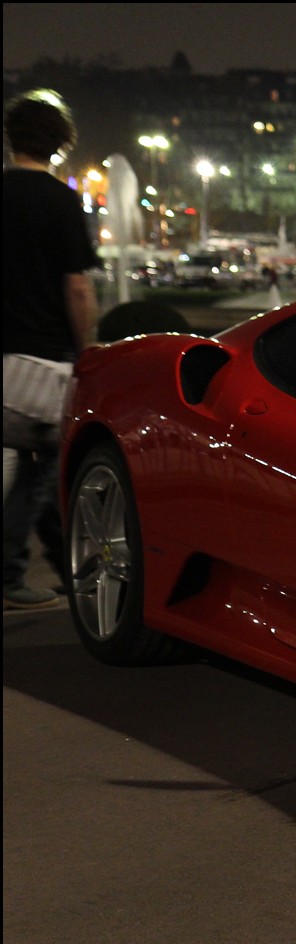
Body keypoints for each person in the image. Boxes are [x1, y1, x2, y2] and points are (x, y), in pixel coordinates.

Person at [3, 88, 99, 611]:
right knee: (45, 468)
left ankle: (69, 567)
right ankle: (9, 572)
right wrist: (88, 351)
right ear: (60, 144)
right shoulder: (60, 200)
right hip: (43, 360)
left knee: (39, 465)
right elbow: (77, 287)